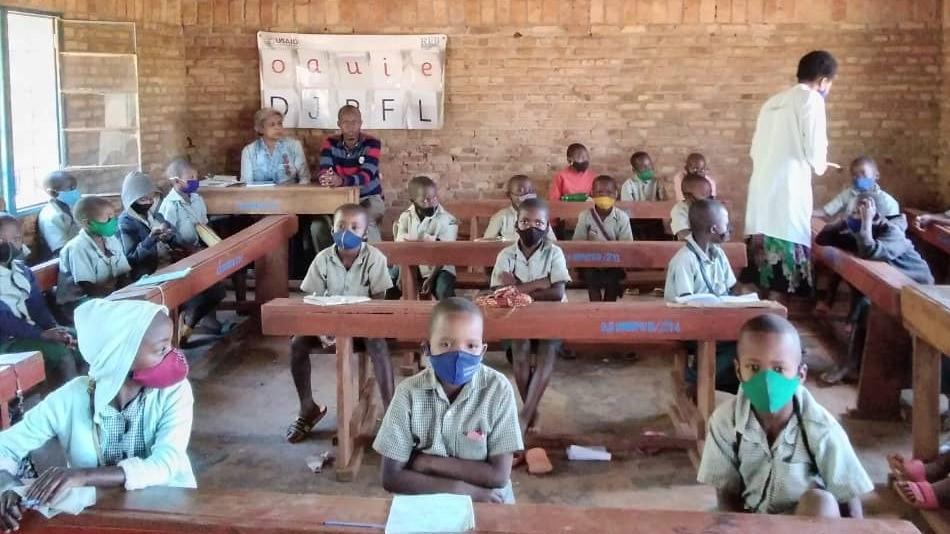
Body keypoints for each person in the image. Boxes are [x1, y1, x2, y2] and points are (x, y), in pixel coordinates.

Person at [0, 299, 196, 533]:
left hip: (170, 512)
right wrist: (5, 484)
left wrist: (84, 476)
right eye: (161, 349)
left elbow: (167, 463)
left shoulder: (174, 392)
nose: (173, 356)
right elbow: (5, 447)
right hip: (99, 517)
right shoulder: (71, 398)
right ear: (120, 356)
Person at [697, 314, 873, 518]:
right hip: (751, 519)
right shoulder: (725, 421)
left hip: (802, 523)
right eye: (754, 367)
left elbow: (848, 496)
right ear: (738, 371)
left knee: (821, 501)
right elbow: (726, 493)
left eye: (778, 369)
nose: (766, 379)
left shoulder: (820, 427)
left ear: (801, 374)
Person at [374, 297, 523, 503]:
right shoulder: (408, 393)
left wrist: (428, 463)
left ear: (483, 350)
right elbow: (391, 478)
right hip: (427, 501)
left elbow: (498, 476)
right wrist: (460, 490)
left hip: (490, 501)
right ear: (426, 349)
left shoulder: (498, 390)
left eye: (471, 345)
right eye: (445, 344)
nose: (459, 355)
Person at [287, 204, 394, 444]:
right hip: (327, 324)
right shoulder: (323, 259)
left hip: (364, 324)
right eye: (341, 226)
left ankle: (391, 413)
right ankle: (308, 408)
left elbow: (378, 302)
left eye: (354, 227)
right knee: (297, 344)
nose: (346, 231)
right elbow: (312, 301)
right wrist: (321, 329)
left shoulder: (374, 259)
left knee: (378, 343)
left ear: (365, 233)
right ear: (332, 229)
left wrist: (354, 326)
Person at [745, 50, 837, 297]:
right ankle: (778, 327)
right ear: (823, 80)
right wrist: (821, 164)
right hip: (787, 193)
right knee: (783, 281)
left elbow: (755, 150)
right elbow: (815, 151)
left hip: (761, 191)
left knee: (762, 274)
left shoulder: (772, 102)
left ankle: (760, 324)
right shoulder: (811, 99)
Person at [814, 194, 933, 384]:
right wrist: (844, 220)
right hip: (890, 282)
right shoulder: (856, 230)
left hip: (918, 287)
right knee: (864, 294)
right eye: (853, 212)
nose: (856, 217)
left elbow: (870, 250)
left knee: (867, 305)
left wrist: (866, 223)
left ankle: (855, 364)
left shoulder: (892, 232)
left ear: (875, 216)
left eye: (860, 213)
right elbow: (824, 238)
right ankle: (853, 363)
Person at [490, 198, 570, 432]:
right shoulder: (506, 254)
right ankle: (531, 410)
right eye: (525, 221)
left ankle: (524, 417)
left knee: (547, 352)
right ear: (516, 225)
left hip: (551, 315)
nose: (531, 227)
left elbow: (556, 293)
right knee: (520, 353)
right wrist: (539, 284)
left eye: (538, 222)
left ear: (547, 227)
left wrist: (519, 288)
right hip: (517, 315)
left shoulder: (554, 253)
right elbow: (499, 292)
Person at [120, 168, 226, 345]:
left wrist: (170, 237)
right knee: (193, 293)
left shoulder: (155, 214)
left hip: (170, 266)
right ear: (131, 201)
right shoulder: (126, 222)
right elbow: (131, 258)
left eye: (150, 198)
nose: (148, 202)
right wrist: (150, 240)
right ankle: (172, 339)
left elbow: (175, 238)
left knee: (215, 288)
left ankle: (187, 326)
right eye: (142, 199)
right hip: (148, 274)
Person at [664, 199, 739, 394]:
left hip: (715, 321)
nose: (729, 227)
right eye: (726, 222)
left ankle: (719, 381)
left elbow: (730, 289)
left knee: (752, 336)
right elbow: (685, 305)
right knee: (740, 342)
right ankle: (697, 380)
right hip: (686, 325)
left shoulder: (719, 254)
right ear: (714, 229)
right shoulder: (684, 260)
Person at [0, 214, 80, 387]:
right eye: (14, 239)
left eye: (19, 237)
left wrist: (52, 328)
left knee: (80, 337)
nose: (19, 243)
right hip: (7, 342)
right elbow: (5, 321)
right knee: (62, 354)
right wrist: (42, 334)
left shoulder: (21, 269)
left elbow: (37, 306)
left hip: (32, 332)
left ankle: (94, 390)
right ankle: (72, 401)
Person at [315, 105, 386, 246]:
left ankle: (378, 265)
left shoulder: (372, 143)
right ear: (339, 124)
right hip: (340, 199)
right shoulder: (330, 144)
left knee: (366, 221)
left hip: (369, 198)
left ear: (361, 123)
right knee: (318, 226)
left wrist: (340, 181)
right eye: (346, 122)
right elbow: (324, 170)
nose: (351, 126)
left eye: (355, 122)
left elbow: (366, 176)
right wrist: (326, 178)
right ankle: (330, 265)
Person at [56, 196, 131, 320]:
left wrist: (131, 292)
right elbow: (89, 288)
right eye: (108, 218)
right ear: (88, 223)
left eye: (113, 216)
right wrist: (118, 299)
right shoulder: (77, 248)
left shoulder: (111, 240)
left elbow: (123, 273)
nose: (113, 221)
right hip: (80, 303)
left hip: (107, 296)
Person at [393, 176, 458, 301]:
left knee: (443, 290)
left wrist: (431, 278)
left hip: (439, 267)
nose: (431, 203)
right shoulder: (405, 217)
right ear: (413, 200)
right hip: (409, 264)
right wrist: (402, 274)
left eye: (434, 198)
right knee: (389, 284)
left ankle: (454, 316)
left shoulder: (448, 220)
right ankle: (388, 317)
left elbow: (445, 253)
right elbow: (400, 248)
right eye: (425, 200)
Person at [573, 175, 633, 302]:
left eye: (609, 192)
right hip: (591, 262)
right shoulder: (585, 216)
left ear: (616, 194)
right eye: (600, 192)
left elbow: (627, 246)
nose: (604, 196)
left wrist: (611, 258)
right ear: (592, 194)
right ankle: (596, 308)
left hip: (614, 262)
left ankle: (608, 308)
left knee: (613, 278)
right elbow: (578, 243)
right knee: (590, 276)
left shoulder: (622, 217)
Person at [239, 107, 310, 185]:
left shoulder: (294, 146)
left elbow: (305, 178)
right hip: (259, 195)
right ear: (260, 129)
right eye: (272, 125)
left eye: (280, 123)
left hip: (289, 194)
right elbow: (246, 183)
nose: (277, 128)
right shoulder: (249, 151)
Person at [815, 156, 899, 220]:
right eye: (854, 175)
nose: (859, 178)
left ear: (876, 175)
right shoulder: (847, 194)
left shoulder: (889, 203)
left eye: (863, 173)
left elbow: (893, 231)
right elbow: (826, 211)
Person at [483, 175, 555, 241]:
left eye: (529, 192)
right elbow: (486, 243)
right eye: (520, 193)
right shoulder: (501, 216)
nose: (525, 197)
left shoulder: (540, 216)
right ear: (509, 195)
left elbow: (553, 242)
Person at [37, 171, 81, 259]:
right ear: (53, 193)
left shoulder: (70, 207)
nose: (75, 191)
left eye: (75, 187)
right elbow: (61, 250)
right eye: (70, 188)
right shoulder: (50, 216)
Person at [671, 172, 714, 240]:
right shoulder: (680, 210)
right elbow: (683, 234)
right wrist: (702, 239)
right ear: (689, 197)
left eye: (710, 194)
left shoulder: (709, 207)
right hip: (688, 247)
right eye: (704, 194)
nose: (709, 198)